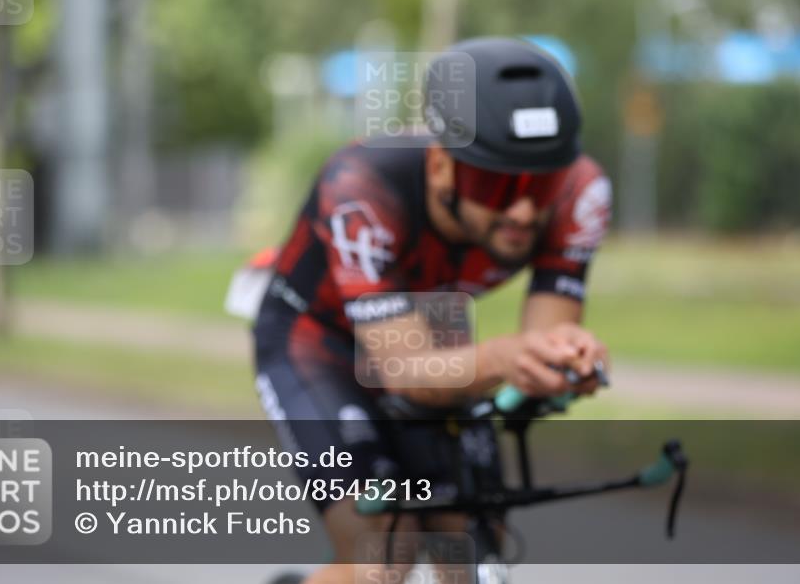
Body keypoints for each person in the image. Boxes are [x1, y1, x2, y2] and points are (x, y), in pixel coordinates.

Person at [253, 37, 612, 584]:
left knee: (468, 548)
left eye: (543, 184)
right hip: (318, 338)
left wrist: (565, 361)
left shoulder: (582, 191)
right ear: (442, 166)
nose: (523, 210)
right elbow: (404, 370)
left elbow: (547, 336)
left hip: (433, 325)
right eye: (497, 183)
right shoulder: (362, 185)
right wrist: (506, 359)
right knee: (383, 553)